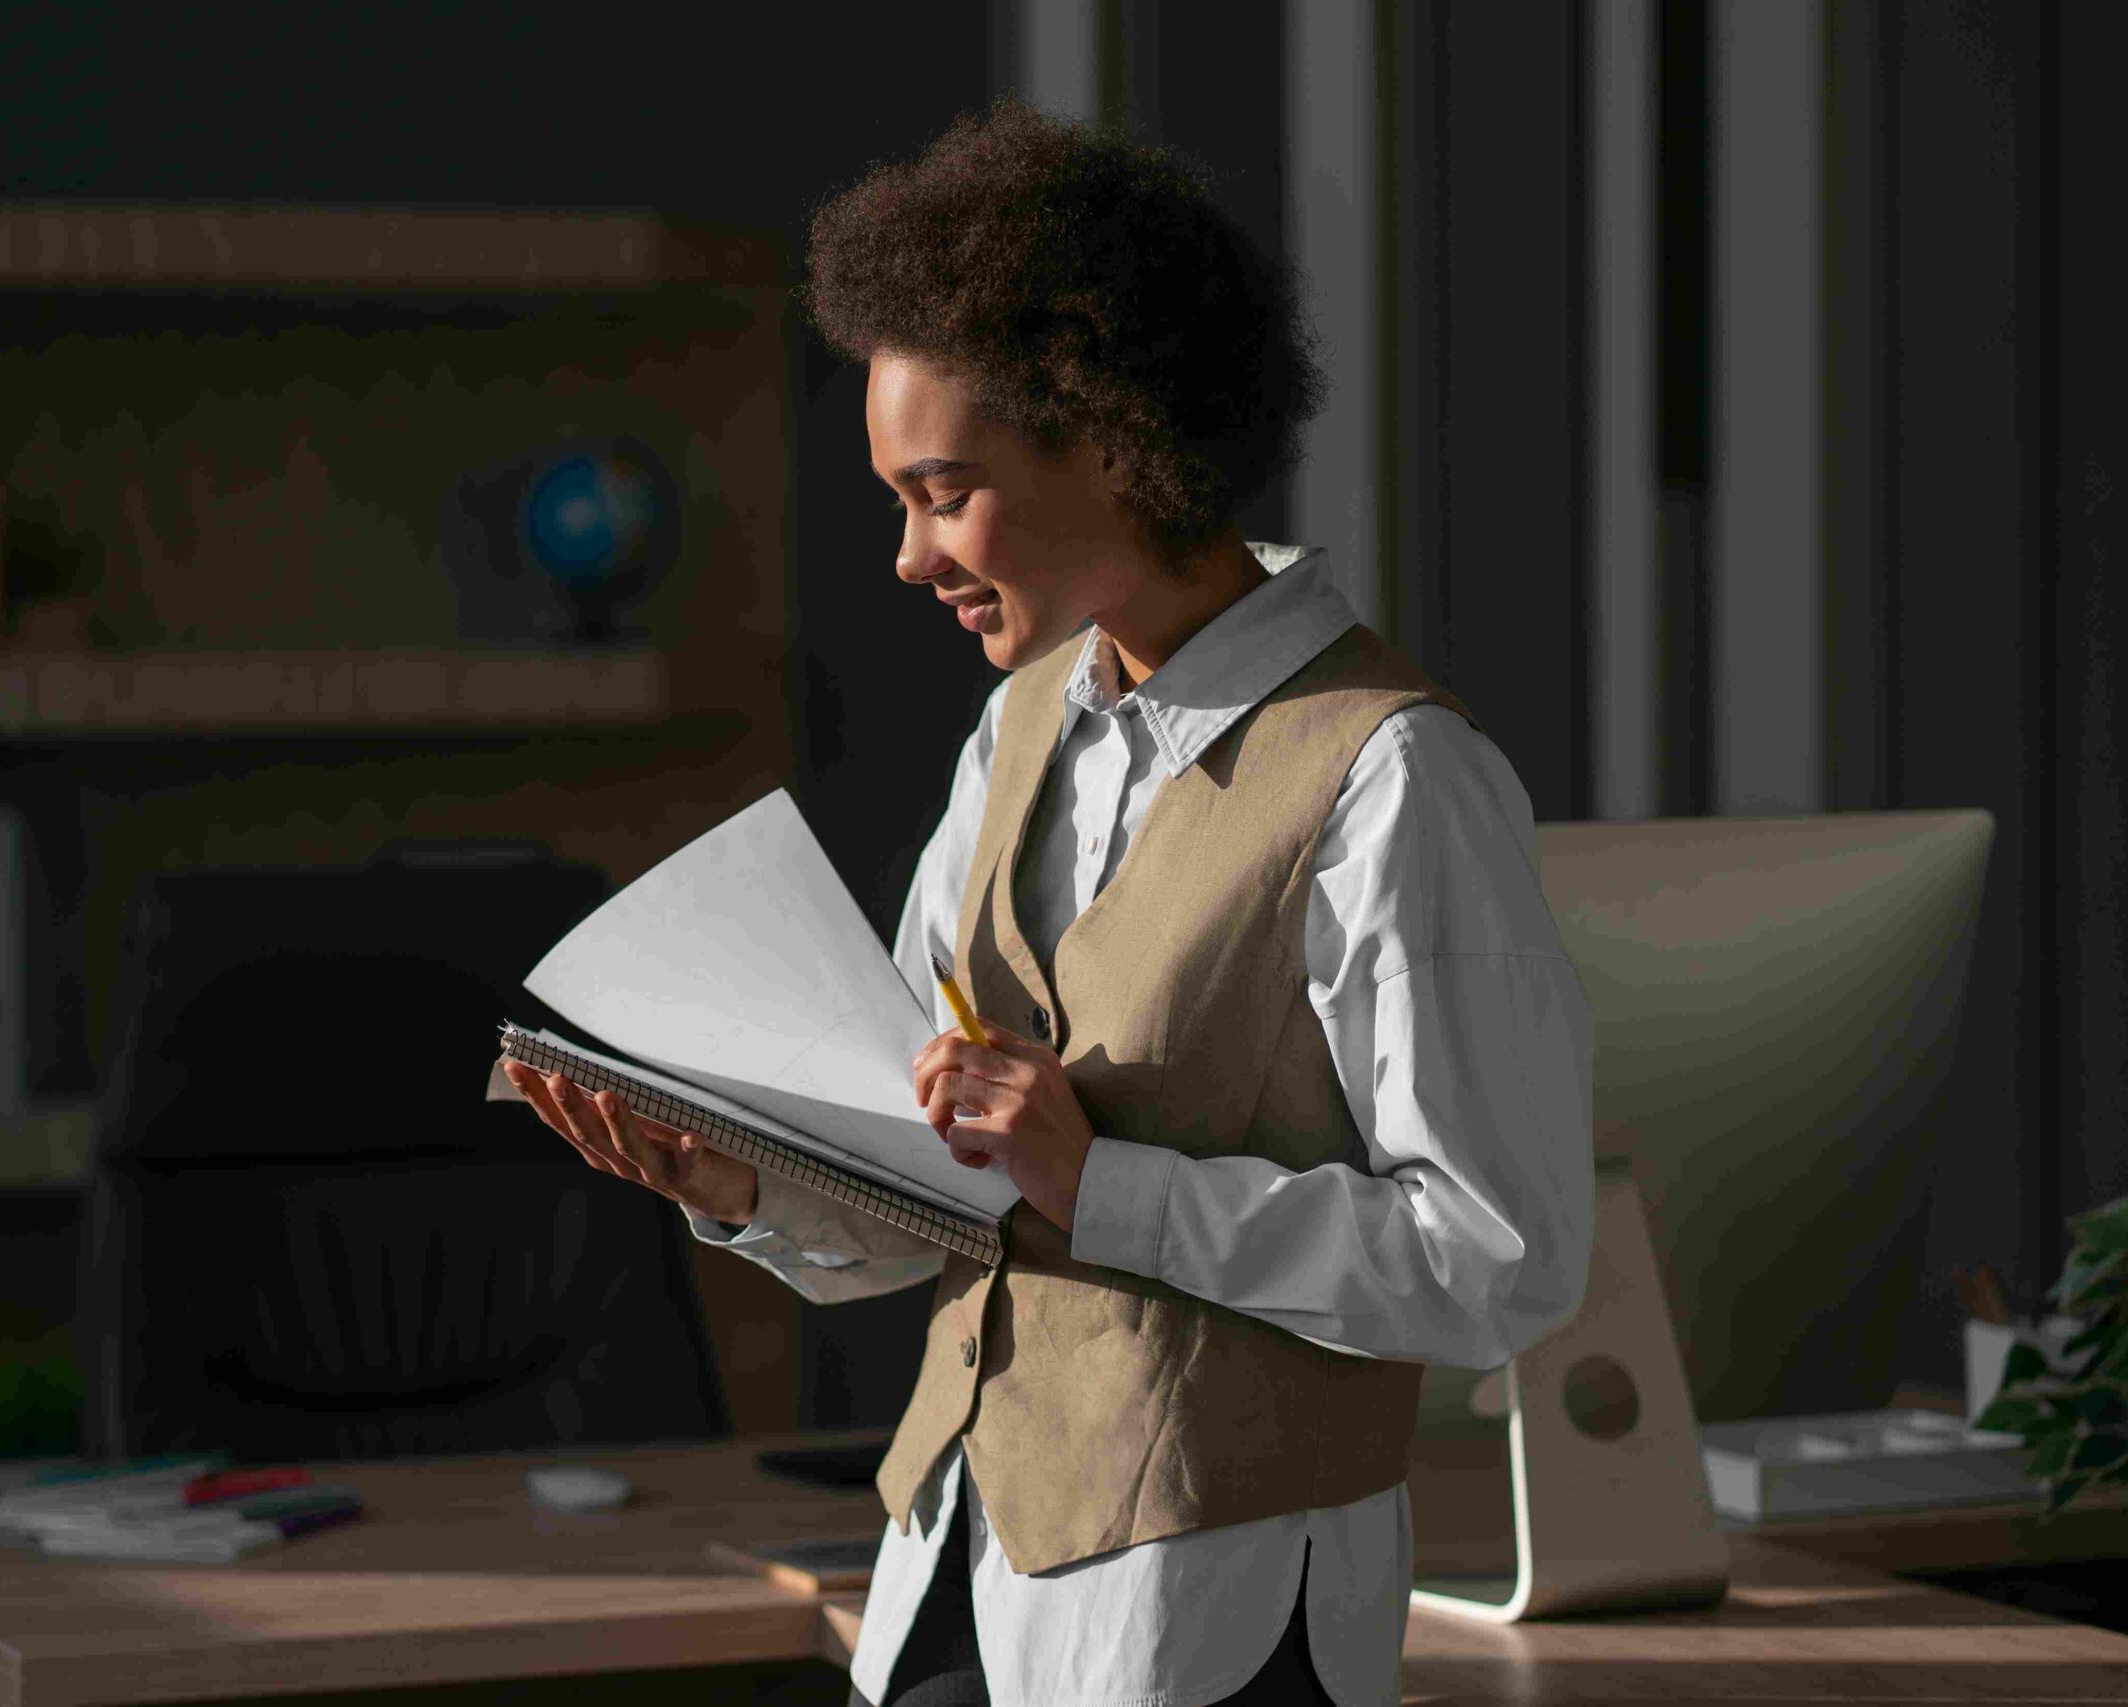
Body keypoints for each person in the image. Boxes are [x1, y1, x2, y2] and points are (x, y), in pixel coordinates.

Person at [501, 101, 1594, 1707]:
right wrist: (743, 1181)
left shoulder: (1393, 779)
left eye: (941, 492)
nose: (903, 557)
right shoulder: (1016, 730)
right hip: (953, 1571)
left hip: (1209, 1619)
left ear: (1115, 430)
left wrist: (1111, 1188)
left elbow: (1502, 1264)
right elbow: (930, 1194)